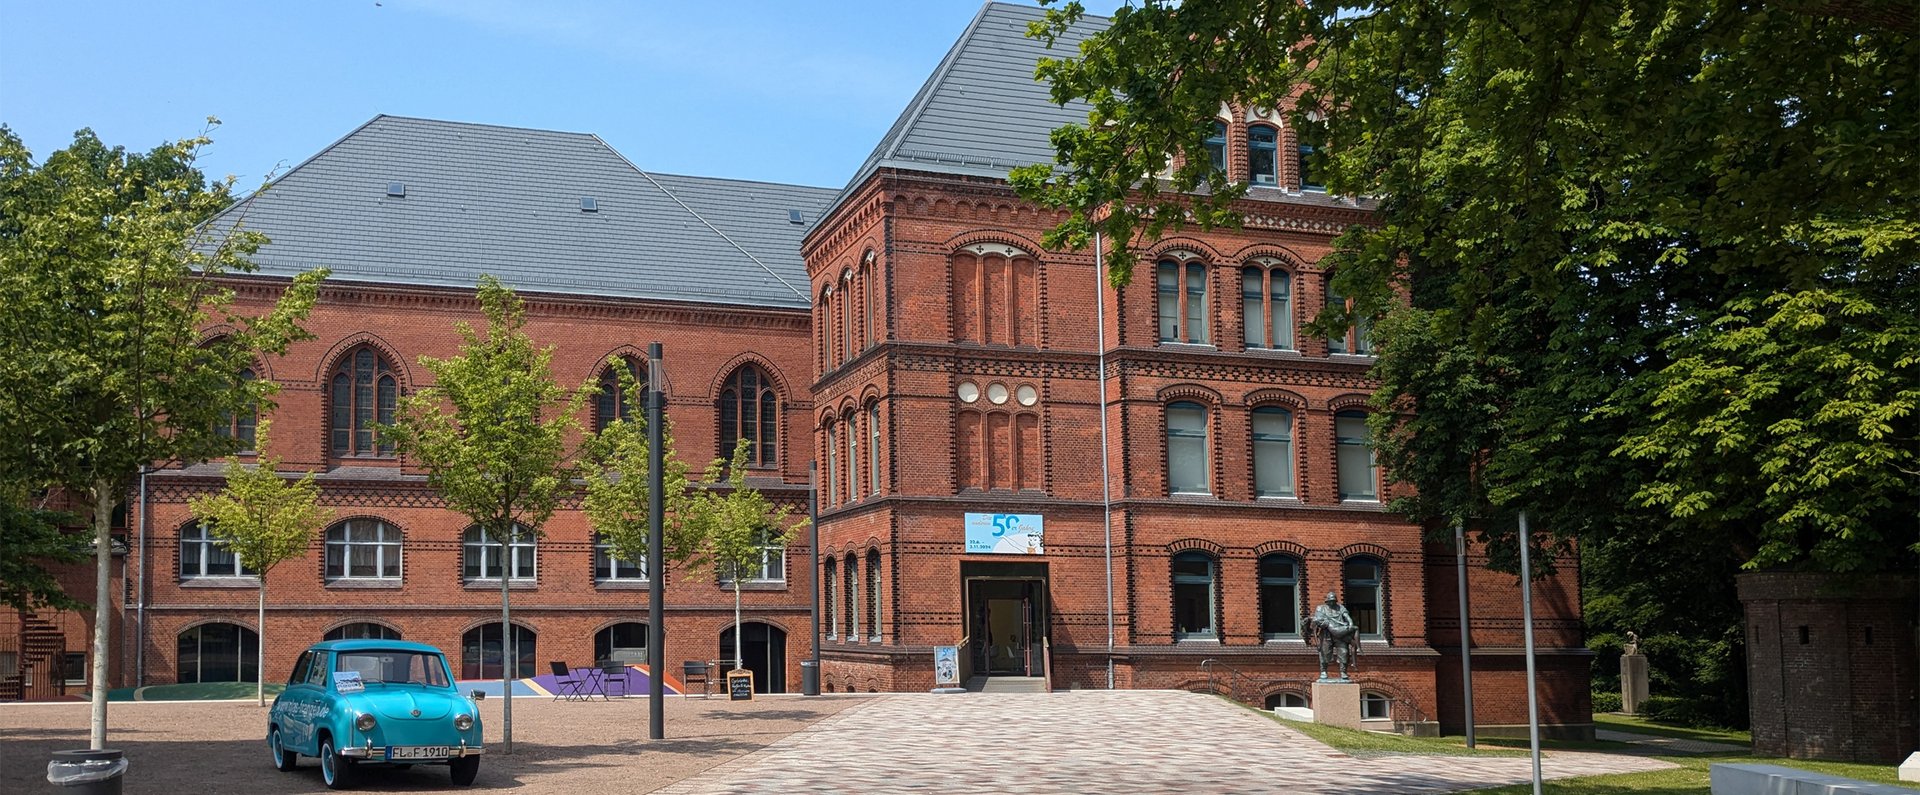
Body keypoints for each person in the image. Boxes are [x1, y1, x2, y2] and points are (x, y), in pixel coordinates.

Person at [1309, 591, 1358, 681]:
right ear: (1327, 601)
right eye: (1330, 601)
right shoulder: (1321, 609)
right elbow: (1317, 621)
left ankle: (1343, 671)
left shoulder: (1340, 608)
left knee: (1344, 652)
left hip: (1339, 634)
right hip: (1326, 634)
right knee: (1325, 653)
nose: (1332, 602)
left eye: (1334, 601)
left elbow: (1346, 616)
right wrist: (1323, 624)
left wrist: (1350, 623)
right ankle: (1323, 671)